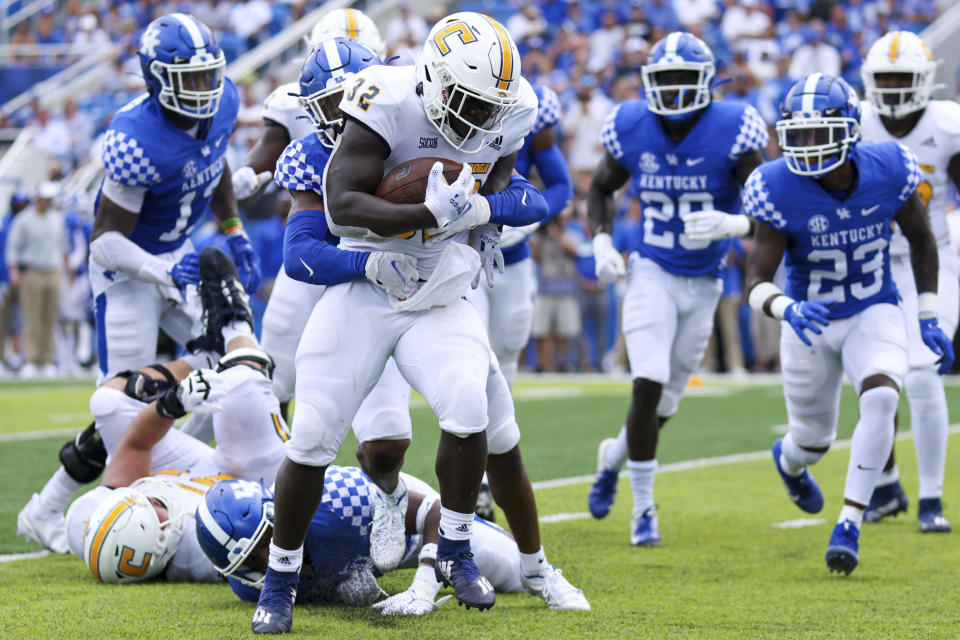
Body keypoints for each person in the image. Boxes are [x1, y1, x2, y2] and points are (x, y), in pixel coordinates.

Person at [252, 12, 552, 632]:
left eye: (488, 106)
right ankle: (278, 584)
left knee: (469, 404)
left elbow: (525, 194)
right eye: (465, 100)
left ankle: (460, 551)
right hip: (367, 277)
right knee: (311, 433)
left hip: (439, 284)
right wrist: (418, 218)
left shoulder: (510, 107)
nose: (477, 118)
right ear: (430, 81)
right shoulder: (381, 100)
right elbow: (338, 209)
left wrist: (476, 211)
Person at [743, 73, 952, 575]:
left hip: (871, 306)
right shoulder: (775, 184)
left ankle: (850, 522)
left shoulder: (890, 167)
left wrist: (926, 311)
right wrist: (786, 309)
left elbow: (923, 240)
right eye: (799, 133)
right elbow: (754, 278)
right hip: (809, 322)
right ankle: (789, 461)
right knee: (811, 441)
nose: (808, 146)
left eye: (819, 133)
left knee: (882, 395)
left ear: (850, 130)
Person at [585, 32, 767, 546]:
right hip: (652, 268)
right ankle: (643, 508)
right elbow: (601, 185)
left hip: (708, 280)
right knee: (648, 378)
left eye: (684, 80)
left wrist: (734, 225)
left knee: (664, 403)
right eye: (663, 80)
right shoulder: (631, 124)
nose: (673, 91)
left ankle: (612, 459)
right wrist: (601, 242)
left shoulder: (733, 127)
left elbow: (769, 210)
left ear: (708, 82)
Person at [17, 248, 279, 555]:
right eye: (149, 508)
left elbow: (135, 445)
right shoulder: (197, 548)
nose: (142, 497)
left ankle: (206, 359)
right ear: (159, 539)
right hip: (261, 485)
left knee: (109, 404)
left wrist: (174, 403)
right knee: (240, 389)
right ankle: (237, 330)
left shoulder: (132, 523)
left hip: (202, 472)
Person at [87, 13, 260, 385]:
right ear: (156, 77)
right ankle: (96, 445)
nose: (203, 89)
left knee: (234, 360)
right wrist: (162, 272)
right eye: (190, 80)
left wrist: (235, 231)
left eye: (207, 76)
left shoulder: (226, 100)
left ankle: (197, 443)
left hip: (180, 253)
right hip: (127, 268)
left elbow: (214, 165)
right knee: (121, 396)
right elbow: (103, 243)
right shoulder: (136, 140)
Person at [232, 8, 386, 417]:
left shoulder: (399, 98)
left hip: (377, 238)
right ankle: (270, 444)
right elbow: (269, 147)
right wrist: (249, 172)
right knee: (280, 344)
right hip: (315, 236)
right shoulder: (293, 101)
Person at [858, 31, 960, 533]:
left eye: (904, 78)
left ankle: (931, 498)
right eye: (885, 79)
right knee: (873, 379)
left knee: (922, 373)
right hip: (869, 262)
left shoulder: (947, 125)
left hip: (931, 258)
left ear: (926, 80)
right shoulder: (854, 122)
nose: (894, 88)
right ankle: (887, 486)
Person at [197, 472, 530, 614]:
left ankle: (490, 523)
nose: (269, 557)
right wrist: (340, 587)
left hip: (393, 524)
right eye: (253, 561)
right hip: (361, 552)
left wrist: (424, 586)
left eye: (268, 539)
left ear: (278, 511)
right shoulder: (248, 588)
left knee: (517, 572)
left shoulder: (338, 503)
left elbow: (434, 511)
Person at [5, 181, 68, 378]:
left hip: (53, 271)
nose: (47, 202)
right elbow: (13, 248)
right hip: (32, 271)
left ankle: (46, 360)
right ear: (38, 198)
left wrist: (67, 270)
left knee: (49, 319)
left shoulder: (57, 219)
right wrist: (14, 272)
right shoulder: (24, 220)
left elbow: (63, 247)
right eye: (45, 199)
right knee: (32, 318)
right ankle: (31, 360)